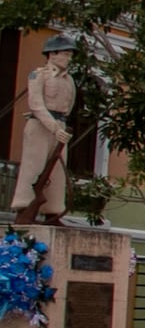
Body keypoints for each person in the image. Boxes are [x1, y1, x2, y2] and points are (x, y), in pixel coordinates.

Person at [9, 34, 77, 223]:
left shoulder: (69, 80)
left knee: (57, 172)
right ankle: (23, 208)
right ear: (52, 54)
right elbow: (36, 104)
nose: (68, 58)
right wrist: (54, 127)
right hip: (40, 125)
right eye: (65, 53)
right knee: (34, 166)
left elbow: (69, 105)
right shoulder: (38, 74)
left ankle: (53, 212)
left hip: (59, 126)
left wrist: (60, 126)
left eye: (70, 54)